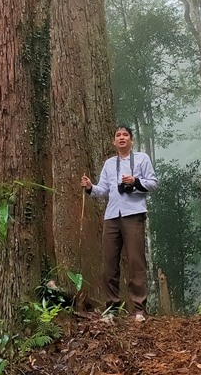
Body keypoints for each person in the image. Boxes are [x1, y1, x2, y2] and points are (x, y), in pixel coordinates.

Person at [81, 125, 158, 322]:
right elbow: (103, 190)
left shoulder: (142, 158)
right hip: (112, 215)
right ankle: (112, 307)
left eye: (125, 135)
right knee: (109, 262)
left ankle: (139, 308)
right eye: (118, 135)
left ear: (131, 140)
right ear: (114, 142)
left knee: (135, 261)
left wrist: (135, 181)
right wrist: (90, 187)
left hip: (134, 214)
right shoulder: (109, 163)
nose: (122, 138)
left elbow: (153, 183)